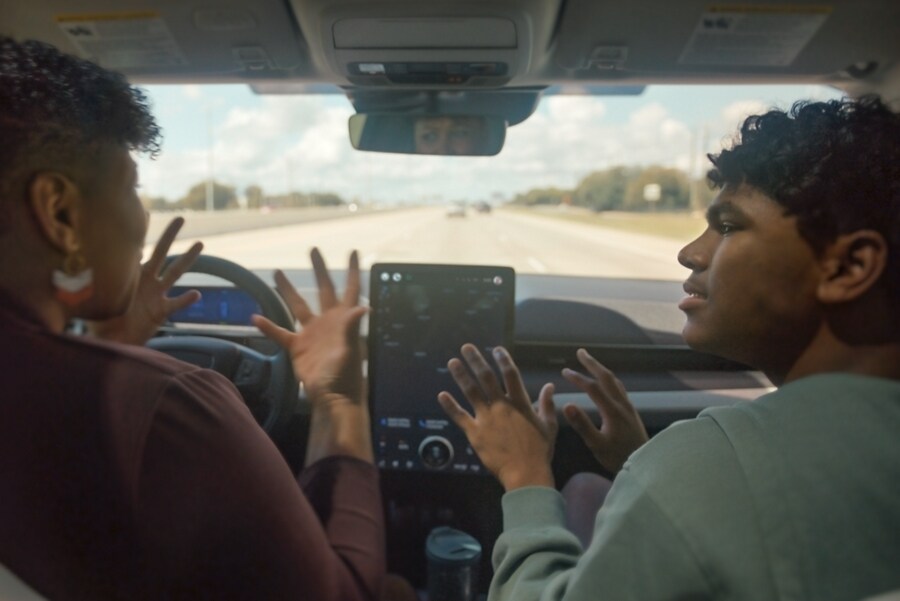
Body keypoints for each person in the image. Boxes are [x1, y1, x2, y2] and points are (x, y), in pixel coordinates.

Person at [438, 97, 900, 600]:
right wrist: (643, 459)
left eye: (728, 226)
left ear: (849, 267)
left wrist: (524, 473)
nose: (690, 252)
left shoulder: (710, 462)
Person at [0, 36, 391, 600]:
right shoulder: (171, 405)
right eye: (133, 187)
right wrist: (340, 402)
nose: (143, 216)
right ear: (60, 212)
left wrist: (110, 348)